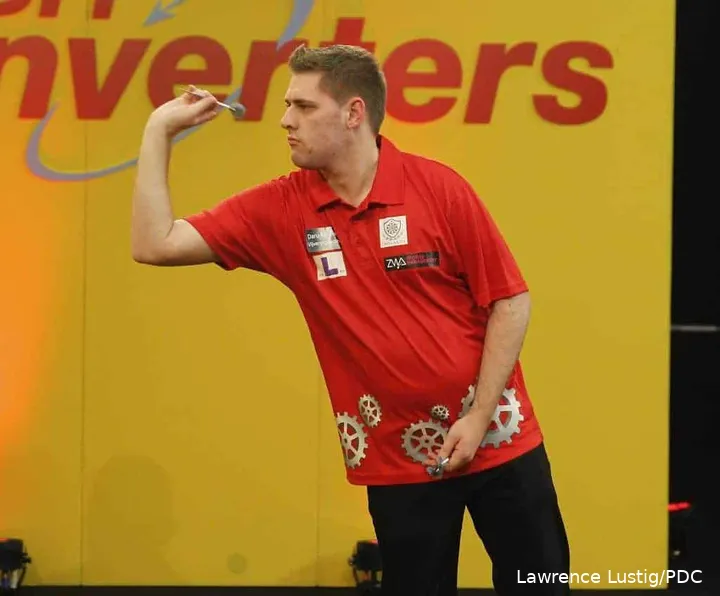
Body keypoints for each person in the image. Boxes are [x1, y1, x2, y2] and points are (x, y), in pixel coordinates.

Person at [131, 43, 570, 596]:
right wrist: (157, 132)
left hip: (500, 439)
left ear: (353, 113)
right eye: (287, 105)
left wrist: (480, 416)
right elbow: (154, 244)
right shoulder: (281, 210)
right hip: (398, 460)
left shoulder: (439, 188)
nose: (286, 120)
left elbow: (510, 301)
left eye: (304, 106)